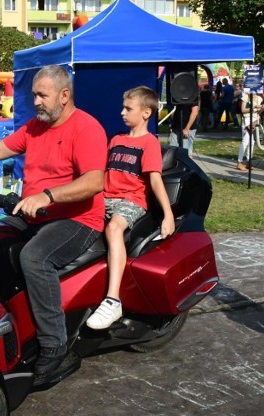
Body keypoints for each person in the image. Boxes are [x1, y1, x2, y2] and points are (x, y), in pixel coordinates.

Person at [0, 65, 107, 378]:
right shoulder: (36, 127)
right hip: (36, 214)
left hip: (77, 218)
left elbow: (94, 182)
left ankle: (55, 347)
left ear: (64, 96)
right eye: (33, 94)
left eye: (42, 95)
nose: (35, 101)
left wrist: (47, 196)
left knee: (34, 258)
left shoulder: (86, 128)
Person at [87, 86, 175, 330]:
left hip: (130, 201)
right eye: (123, 107)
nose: (122, 112)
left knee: (115, 229)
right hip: (104, 197)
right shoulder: (115, 140)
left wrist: (167, 215)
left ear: (146, 113)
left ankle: (113, 300)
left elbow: (155, 180)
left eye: (128, 108)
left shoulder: (150, 143)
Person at [236, 91, 264, 171]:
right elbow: (243, 110)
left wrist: (262, 109)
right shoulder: (246, 97)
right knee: (245, 141)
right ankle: (239, 162)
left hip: (255, 120)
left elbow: (258, 112)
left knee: (252, 142)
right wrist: (254, 107)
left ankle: (248, 161)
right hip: (247, 120)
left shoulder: (259, 98)